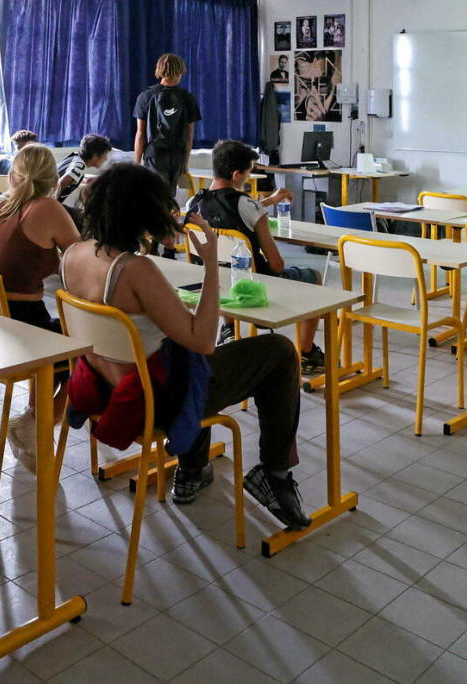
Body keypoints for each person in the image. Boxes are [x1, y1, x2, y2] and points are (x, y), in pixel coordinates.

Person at [61, 163, 310, 528]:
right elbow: (204, 340)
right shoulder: (135, 269)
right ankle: (275, 475)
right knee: (278, 352)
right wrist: (211, 265)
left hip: (110, 386)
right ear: (143, 214)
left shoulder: (72, 255)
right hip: (157, 402)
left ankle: (193, 470)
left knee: (183, 355)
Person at [0, 144, 80, 471]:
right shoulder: (47, 208)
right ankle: (32, 426)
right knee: (87, 354)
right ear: (53, 179)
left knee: (55, 339)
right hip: (17, 333)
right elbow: (80, 260)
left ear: (11, 175)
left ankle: (31, 423)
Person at [187, 140, 326, 376]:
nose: (249, 177)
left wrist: (267, 202)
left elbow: (228, 213)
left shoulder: (193, 204)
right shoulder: (246, 204)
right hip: (257, 286)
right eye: (249, 172)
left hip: (212, 287)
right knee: (313, 276)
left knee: (226, 268)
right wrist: (261, 210)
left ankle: (229, 328)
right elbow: (276, 264)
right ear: (236, 174)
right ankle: (306, 352)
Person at [132, 53, 201, 194]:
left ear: (159, 70)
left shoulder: (145, 97)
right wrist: (185, 165)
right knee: (169, 198)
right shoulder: (188, 98)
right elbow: (189, 135)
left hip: (154, 155)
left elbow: (140, 134)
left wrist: (136, 163)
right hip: (177, 156)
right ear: (180, 71)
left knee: (154, 197)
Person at [56, 133, 112, 203]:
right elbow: (61, 183)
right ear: (95, 156)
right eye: (105, 155)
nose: (106, 159)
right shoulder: (79, 166)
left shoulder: (75, 157)